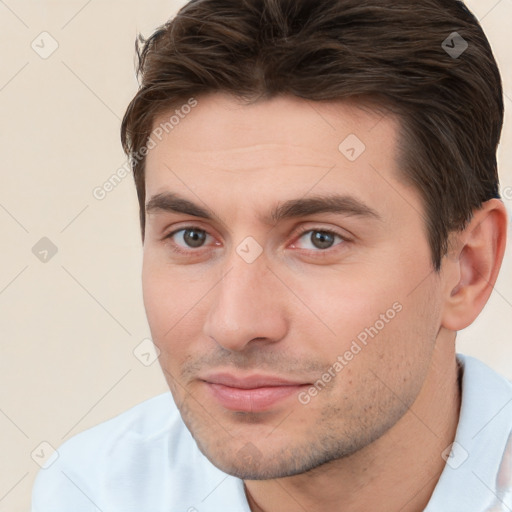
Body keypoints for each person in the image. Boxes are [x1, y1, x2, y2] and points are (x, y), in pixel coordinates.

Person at [31, 0, 511, 510]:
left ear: (467, 270)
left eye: (320, 239)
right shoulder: (92, 491)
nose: (235, 324)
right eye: (192, 236)